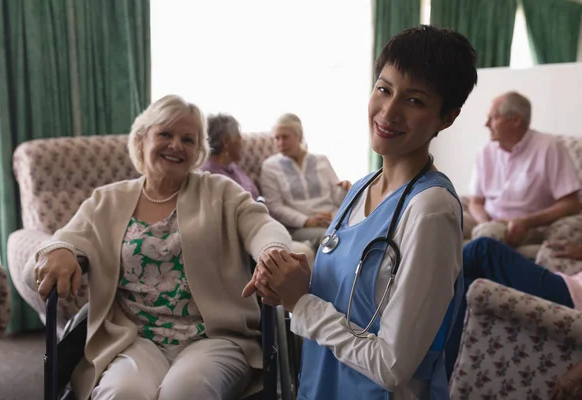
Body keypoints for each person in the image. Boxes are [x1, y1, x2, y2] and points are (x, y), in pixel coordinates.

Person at [244, 25, 478, 399]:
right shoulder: (359, 189)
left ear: (446, 117)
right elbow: (343, 300)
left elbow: (391, 366)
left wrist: (301, 303)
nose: (389, 111)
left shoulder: (430, 211)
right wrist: (292, 281)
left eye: (414, 101)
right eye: (384, 89)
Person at [25, 95, 294, 400]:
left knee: (185, 391)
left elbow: (262, 225)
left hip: (215, 337)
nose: (176, 145)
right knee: (123, 393)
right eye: (165, 134)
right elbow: (55, 250)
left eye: (188, 139)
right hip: (133, 338)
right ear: (141, 140)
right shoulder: (107, 201)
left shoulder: (220, 192)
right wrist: (58, 250)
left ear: (198, 152)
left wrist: (271, 250)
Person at [445, 237, 582, 381]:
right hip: (570, 289)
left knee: (483, 250)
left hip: (571, 302)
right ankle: (440, 378)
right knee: (464, 285)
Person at [468, 91, 581, 250]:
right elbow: (476, 202)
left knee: (486, 238)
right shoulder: (484, 152)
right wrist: (485, 222)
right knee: (443, 224)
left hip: (529, 226)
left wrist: (527, 222)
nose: (486, 124)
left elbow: (571, 204)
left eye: (493, 118)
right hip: (488, 222)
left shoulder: (549, 147)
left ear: (515, 120)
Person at [200, 113, 316, 267]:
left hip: (265, 226)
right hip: (245, 236)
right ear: (227, 142)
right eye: (239, 138)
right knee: (304, 252)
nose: (242, 143)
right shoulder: (208, 177)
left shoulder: (235, 168)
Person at [259, 113, 351, 250]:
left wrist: (344, 190)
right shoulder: (270, 167)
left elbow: (337, 199)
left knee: (360, 230)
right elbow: (275, 207)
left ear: (300, 136)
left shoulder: (321, 160)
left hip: (331, 219)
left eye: (285, 137)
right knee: (333, 237)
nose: (280, 143)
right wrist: (306, 221)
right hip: (298, 227)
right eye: (276, 138)